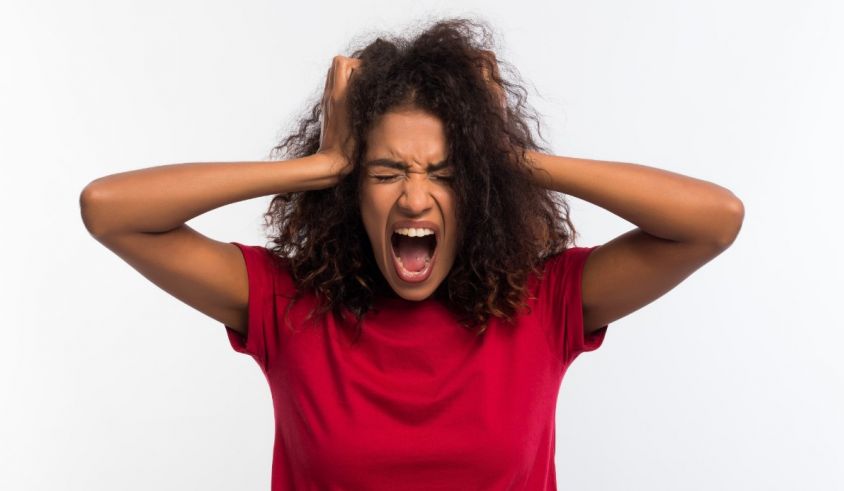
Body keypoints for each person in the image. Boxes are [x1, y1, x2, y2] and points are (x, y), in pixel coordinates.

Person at [80, 18, 744, 491]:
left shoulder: (544, 303)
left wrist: (507, 157)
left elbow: (714, 221)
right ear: (351, 192)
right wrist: (320, 165)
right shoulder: (288, 304)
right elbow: (110, 210)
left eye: (448, 173)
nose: (417, 199)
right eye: (386, 171)